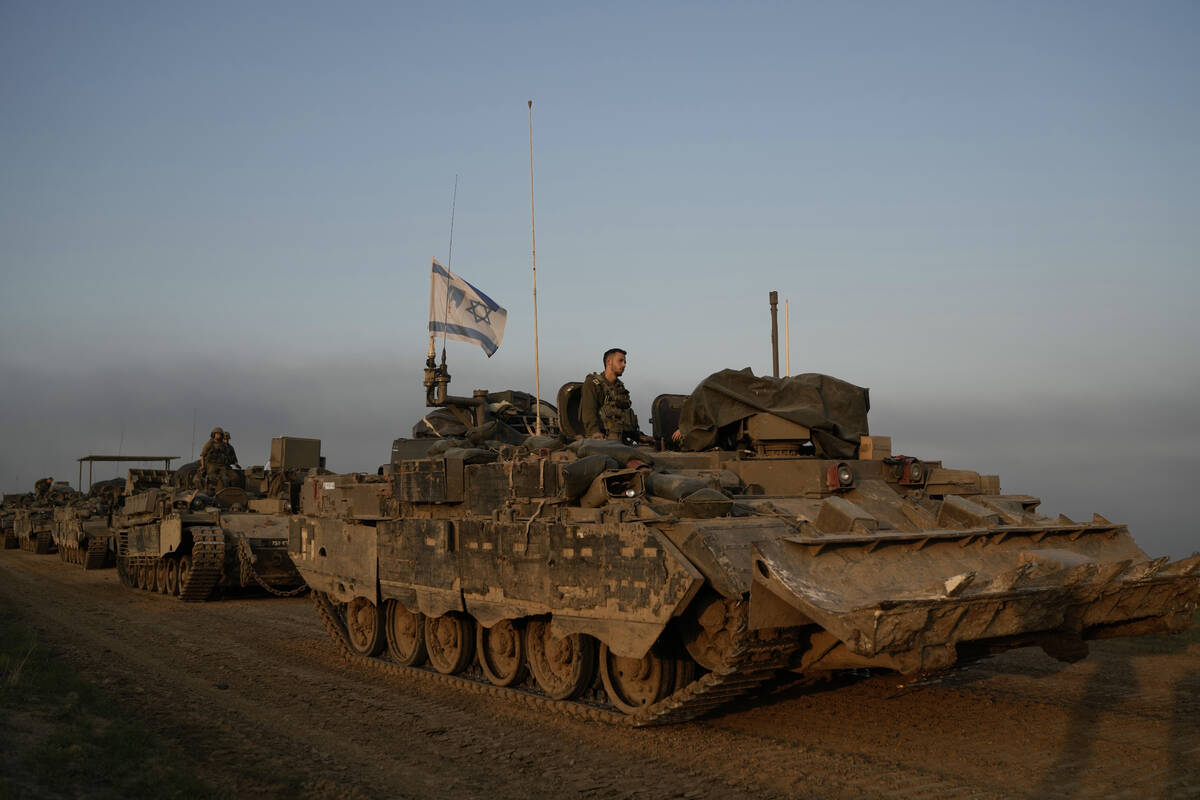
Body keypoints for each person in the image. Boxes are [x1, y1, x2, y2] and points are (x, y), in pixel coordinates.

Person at [580, 348, 650, 444]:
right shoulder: (593, 383)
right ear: (609, 362)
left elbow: (623, 419)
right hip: (603, 439)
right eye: (620, 361)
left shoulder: (620, 388)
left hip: (621, 440)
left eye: (625, 362)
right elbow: (588, 411)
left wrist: (639, 436)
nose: (624, 365)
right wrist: (594, 433)